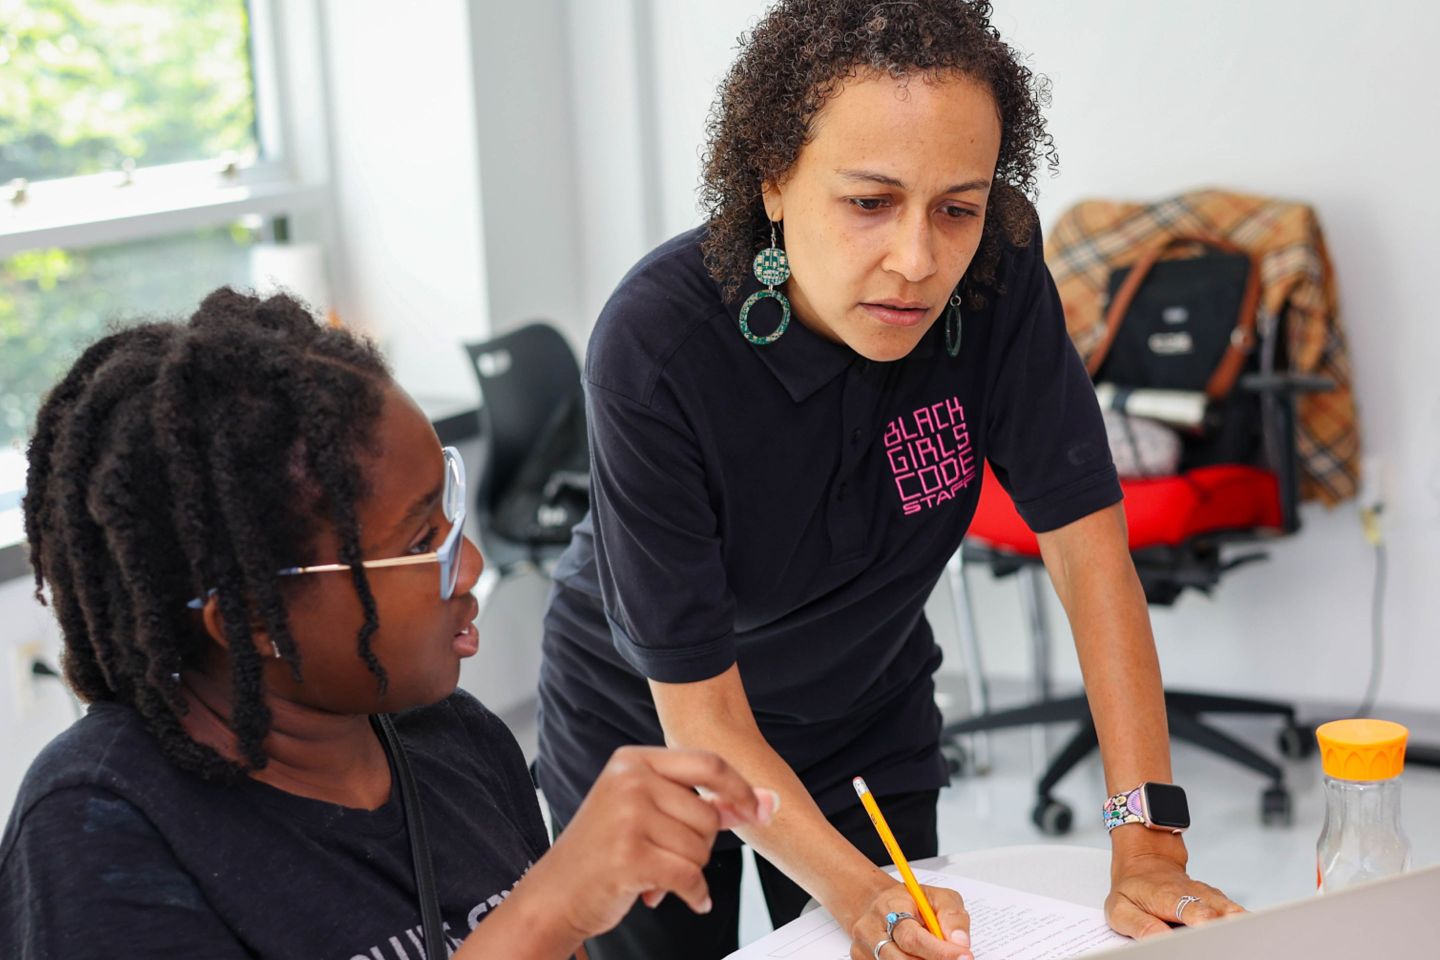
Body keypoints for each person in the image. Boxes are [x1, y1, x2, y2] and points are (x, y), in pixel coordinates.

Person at [535, 2, 1244, 959]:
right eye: (869, 202)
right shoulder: (658, 346)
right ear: (775, 180)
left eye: (957, 207)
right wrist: (859, 896)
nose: (917, 262)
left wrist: (1147, 840)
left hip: (863, 709)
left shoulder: (996, 275)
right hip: (655, 721)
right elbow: (701, 714)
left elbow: (1089, 555)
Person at [0, 289, 778, 959]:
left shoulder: (458, 740)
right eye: (419, 543)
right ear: (249, 621)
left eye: (450, 514)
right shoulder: (98, 824)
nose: (469, 563)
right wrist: (547, 910)